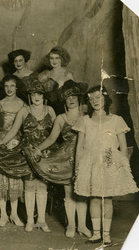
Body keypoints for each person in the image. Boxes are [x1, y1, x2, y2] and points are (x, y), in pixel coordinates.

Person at [73, 85, 138, 245]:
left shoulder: (116, 120)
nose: (95, 101)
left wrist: (122, 167)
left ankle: (106, 235)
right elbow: (79, 147)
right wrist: (77, 168)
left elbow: (123, 147)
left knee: (106, 198)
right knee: (94, 198)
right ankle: (96, 234)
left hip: (109, 162)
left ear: (105, 99)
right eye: (92, 98)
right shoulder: (84, 120)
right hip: (90, 162)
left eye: (98, 97)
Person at [0, 76, 56, 232]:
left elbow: (56, 133)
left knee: (42, 185)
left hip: (45, 152)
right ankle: (29, 221)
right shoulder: (24, 110)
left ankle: (41, 220)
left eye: (39, 94)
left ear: (43, 96)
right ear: (29, 96)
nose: (36, 97)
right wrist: (0, 142)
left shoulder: (50, 111)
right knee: (29, 184)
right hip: (27, 151)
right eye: (33, 94)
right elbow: (13, 130)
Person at [31, 80, 91, 238]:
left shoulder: (87, 116)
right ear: (64, 100)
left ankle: (82, 226)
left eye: (73, 96)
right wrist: (38, 149)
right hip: (65, 158)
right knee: (69, 192)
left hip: (85, 155)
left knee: (83, 192)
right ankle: (71, 225)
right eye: (67, 97)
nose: (70, 100)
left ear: (79, 98)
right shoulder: (60, 118)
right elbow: (51, 139)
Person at [0, 75, 25, 227]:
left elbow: (23, 128)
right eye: (6, 86)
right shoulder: (0, 104)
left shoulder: (23, 104)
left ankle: (14, 214)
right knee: (0, 179)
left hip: (16, 142)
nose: (9, 89)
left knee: (14, 179)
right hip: (1, 142)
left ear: (17, 87)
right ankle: (3, 214)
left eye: (12, 86)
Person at [33, 46, 74, 115]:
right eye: (51, 58)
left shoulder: (67, 75)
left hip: (63, 109)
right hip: (47, 109)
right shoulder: (45, 74)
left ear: (62, 59)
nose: (54, 61)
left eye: (57, 58)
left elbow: (74, 95)